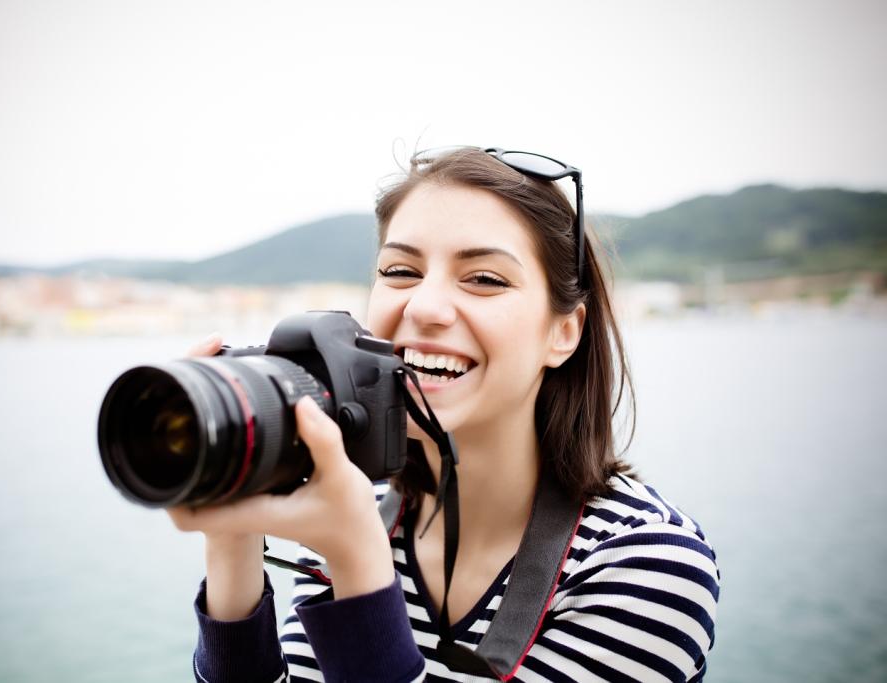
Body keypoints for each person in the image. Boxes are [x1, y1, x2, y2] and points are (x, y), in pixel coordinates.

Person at [167, 147, 720, 681]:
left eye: (484, 279)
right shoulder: (358, 513)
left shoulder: (646, 565)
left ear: (563, 332)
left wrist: (357, 561)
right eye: (400, 271)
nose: (425, 306)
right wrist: (233, 537)